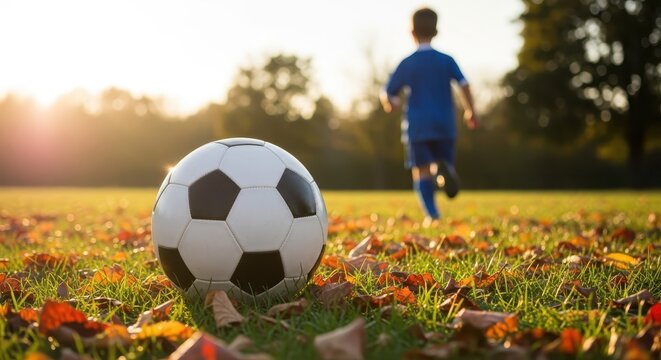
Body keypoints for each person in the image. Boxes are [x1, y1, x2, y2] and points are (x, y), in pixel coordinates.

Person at [381, 7, 478, 225]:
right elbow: (464, 85)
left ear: (411, 32)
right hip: (444, 123)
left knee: (421, 170)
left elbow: (387, 92)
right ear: (436, 31)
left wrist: (390, 102)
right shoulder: (446, 60)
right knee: (442, 164)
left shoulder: (408, 63)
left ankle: (432, 215)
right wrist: (471, 110)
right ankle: (444, 170)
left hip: (418, 125)